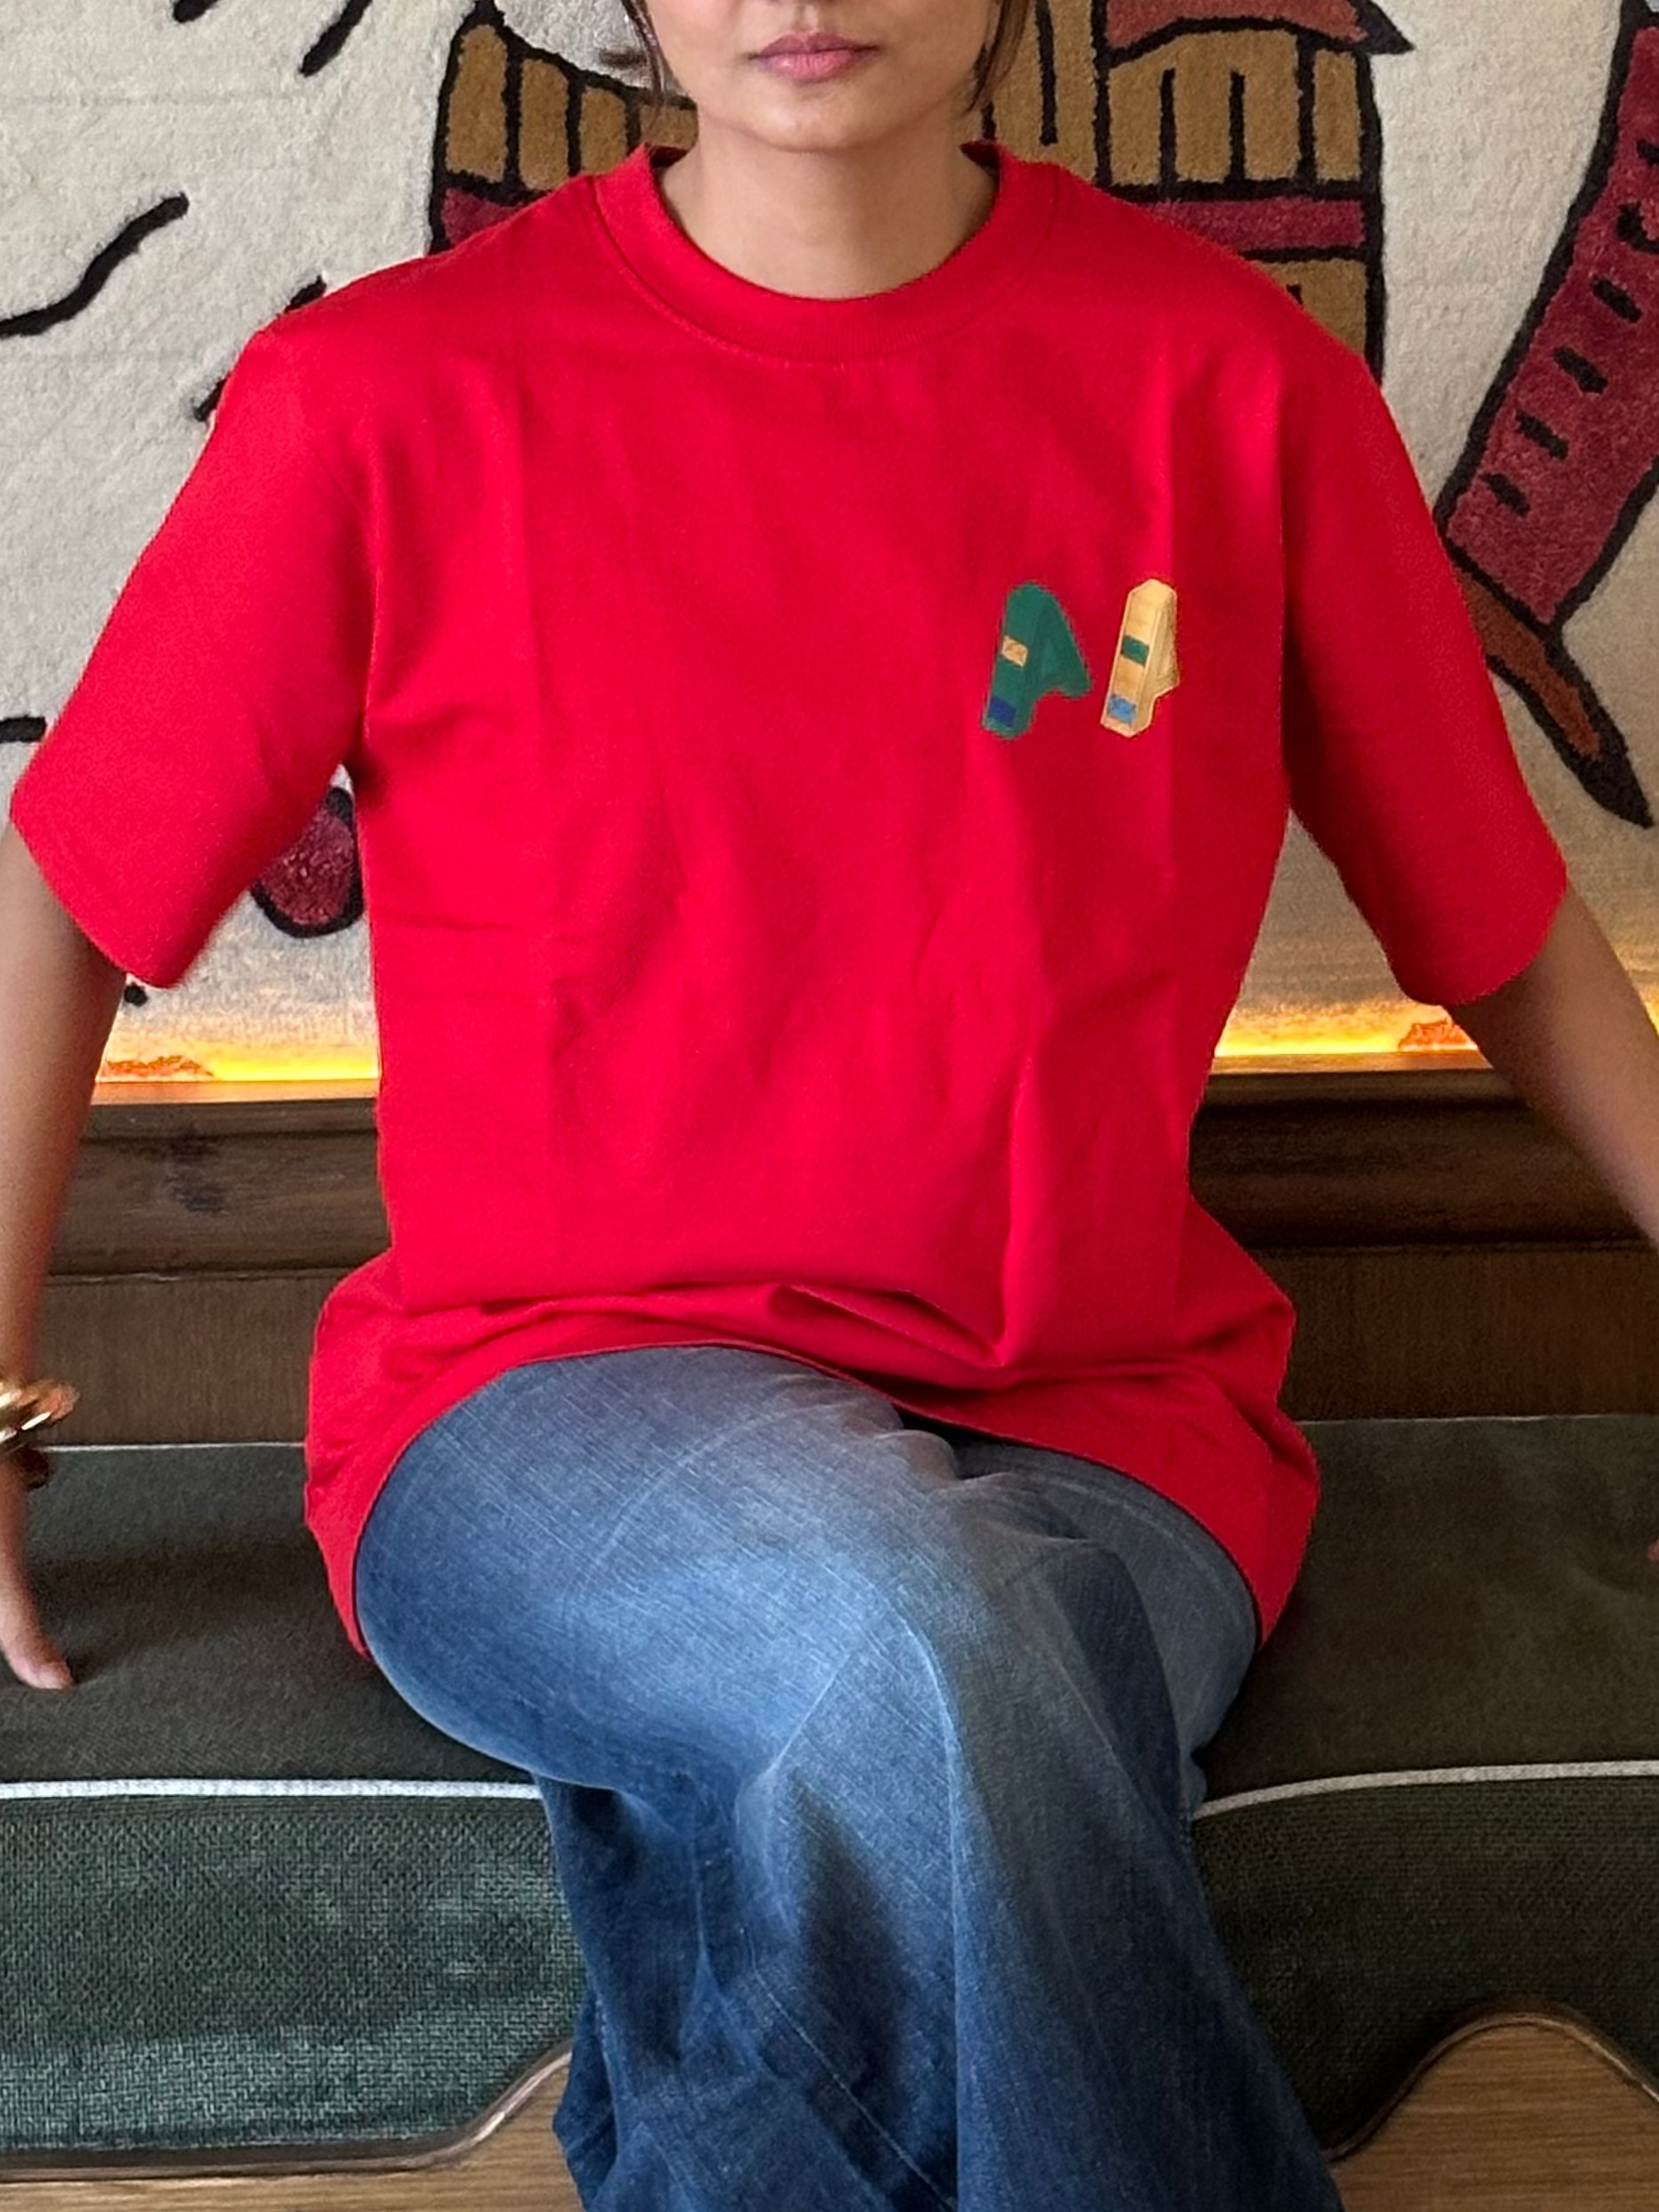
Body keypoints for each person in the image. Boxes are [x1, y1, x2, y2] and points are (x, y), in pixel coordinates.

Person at [4, 0, 1659, 2202]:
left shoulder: (1234, 386)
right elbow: (67, 890)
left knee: (932, 1662)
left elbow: (1498, 922)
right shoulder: (382, 397)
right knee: (919, 1634)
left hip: (1109, 1434)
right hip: (538, 1413)